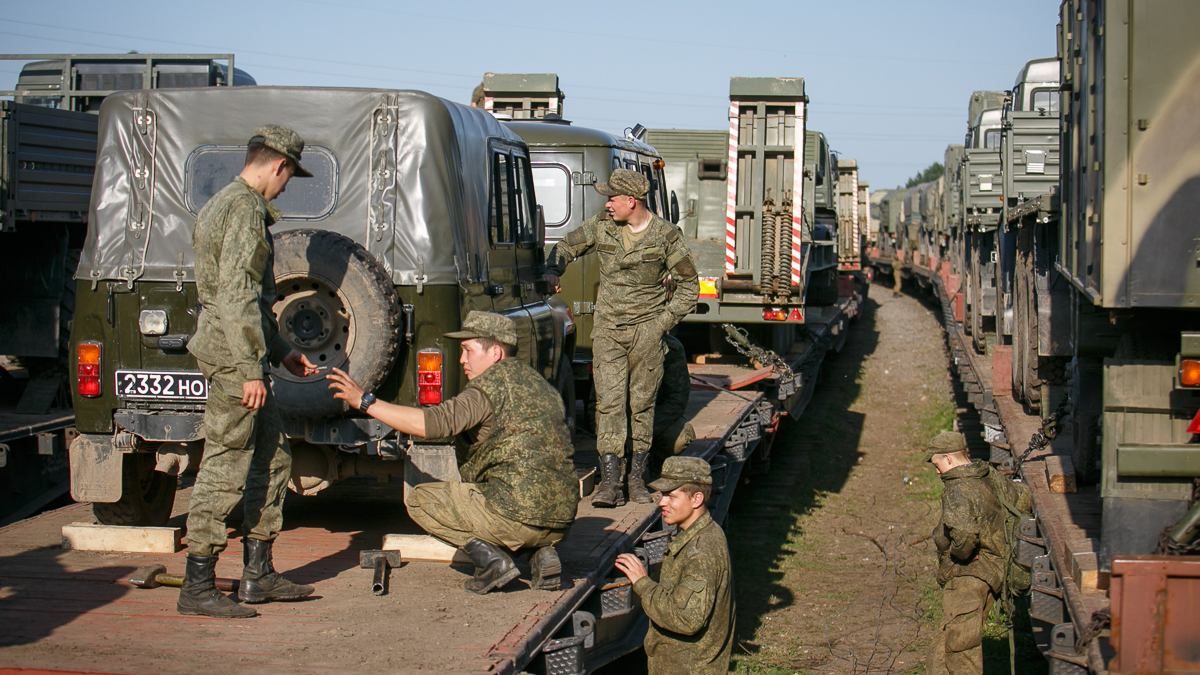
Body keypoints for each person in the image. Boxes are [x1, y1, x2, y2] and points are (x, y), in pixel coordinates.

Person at [325, 311, 578, 594]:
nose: (462, 360)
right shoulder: (541, 386)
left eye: (468, 350)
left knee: (422, 500)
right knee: (503, 494)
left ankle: (494, 563)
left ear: (495, 352)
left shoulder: (489, 387)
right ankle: (540, 553)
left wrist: (365, 401)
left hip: (515, 512)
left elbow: (431, 424)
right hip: (561, 518)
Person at [180, 125, 320, 619]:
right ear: (278, 165)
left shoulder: (229, 205)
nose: (286, 187)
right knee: (227, 463)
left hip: (245, 353)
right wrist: (248, 371)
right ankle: (197, 584)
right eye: (289, 177)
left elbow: (251, 301)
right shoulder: (242, 210)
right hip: (232, 359)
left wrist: (280, 350)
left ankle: (257, 575)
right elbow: (236, 296)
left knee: (273, 457)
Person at [546, 169, 699, 508]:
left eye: (612, 197)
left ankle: (636, 479)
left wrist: (662, 323)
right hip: (609, 331)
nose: (608, 203)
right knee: (610, 403)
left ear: (631, 201)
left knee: (641, 405)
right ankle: (610, 481)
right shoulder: (602, 225)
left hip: (648, 332)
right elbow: (567, 246)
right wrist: (553, 269)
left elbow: (689, 287)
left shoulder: (666, 236)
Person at [614, 456, 734, 674]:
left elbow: (686, 619)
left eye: (671, 496)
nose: (661, 502)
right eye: (662, 495)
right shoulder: (700, 534)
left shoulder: (701, 551)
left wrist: (642, 583)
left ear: (696, 499)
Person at [927, 431, 1007, 674]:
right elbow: (1020, 500)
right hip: (990, 569)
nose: (937, 471)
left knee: (962, 648)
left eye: (937, 464)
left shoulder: (958, 489)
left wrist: (955, 556)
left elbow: (965, 537)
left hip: (969, 575)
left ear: (949, 460)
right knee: (945, 643)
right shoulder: (987, 475)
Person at [650, 334, 695, 460]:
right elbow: (599, 401)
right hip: (620, 420)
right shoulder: (615, 344)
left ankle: (656, 462)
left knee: (681, 437)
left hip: (653, 417)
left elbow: (677, 400)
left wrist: (646, 430)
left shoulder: (671, 348)